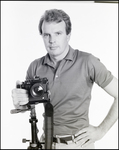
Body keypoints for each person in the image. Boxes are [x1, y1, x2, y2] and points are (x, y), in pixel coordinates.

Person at [12, 9, 118, 149]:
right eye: (47, 35)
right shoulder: (35, 66)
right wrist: (19, 102)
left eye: (58, 33)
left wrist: (101, 131)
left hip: (79, 144)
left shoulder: (88, 62)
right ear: (42, 36)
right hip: (46, 143)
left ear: (68, 35)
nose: (52, 40)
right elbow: (28, 106)